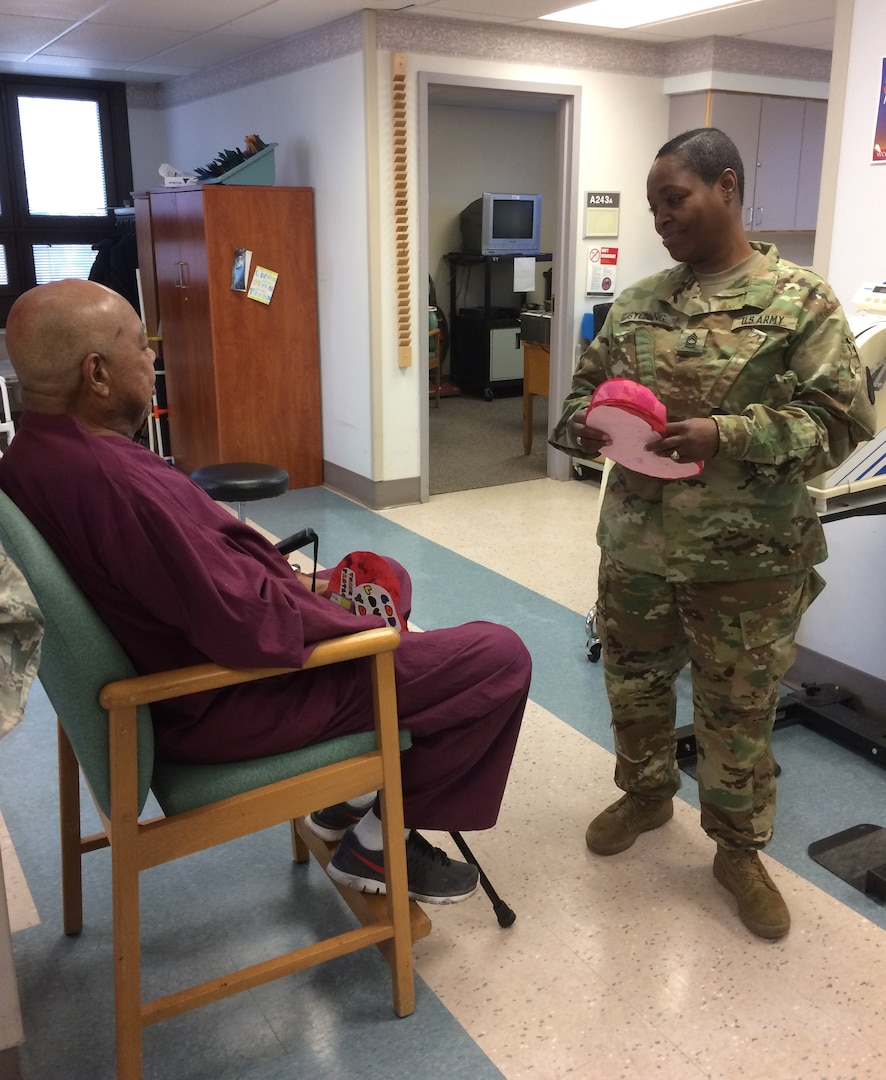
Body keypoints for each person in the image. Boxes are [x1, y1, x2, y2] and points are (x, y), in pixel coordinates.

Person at [0, 278, 532, 906]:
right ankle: (377, 845)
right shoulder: (114, 484)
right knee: (497, 656)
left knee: (385, 576)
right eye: (142, 347)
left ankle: (345, 800)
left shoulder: (34, 457)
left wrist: (309, 586)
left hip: (192, 664)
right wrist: (335, 617)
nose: (152, 360)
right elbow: (243, 625)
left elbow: (194, 582)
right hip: (224, 697)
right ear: (96, 374)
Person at [551, 128, 876, 940]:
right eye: (654, 205)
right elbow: (579, 399)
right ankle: (646, 794)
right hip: (635, 546)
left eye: (676, 199)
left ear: (726, 186)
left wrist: (727, 435)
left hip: (749, 561)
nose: (662, 219)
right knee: (634, 683)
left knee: (738, 709)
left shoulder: (799, 300)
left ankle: (738, 850)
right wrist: (582, 431)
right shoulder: (638, 303)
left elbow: (839, 427)